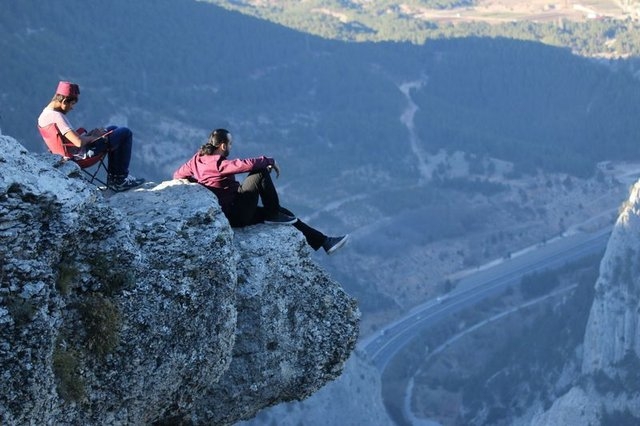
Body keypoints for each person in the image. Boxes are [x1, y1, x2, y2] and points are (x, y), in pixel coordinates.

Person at [173, 128, 349, 255]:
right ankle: (273, 213)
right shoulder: (218, 163)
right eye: (230, 143)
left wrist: (199, 183)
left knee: (285, 214)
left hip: (232, 210)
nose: (231, 147)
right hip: (236, 214)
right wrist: (269, 160)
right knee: (260, 172)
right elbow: (243, 165)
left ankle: (324, 242)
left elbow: (177, 175)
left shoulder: (197, 160)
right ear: (223, 145)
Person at [38, 81, 145, 191]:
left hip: (70, 152)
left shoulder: (45, 115)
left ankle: (116, 178)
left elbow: (65, 140)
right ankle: (119, 180)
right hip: (80, 156)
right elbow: (78, 142)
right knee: (125, 133)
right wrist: (94, 138)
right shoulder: (56, 117)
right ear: (64, 101)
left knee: (113, 129)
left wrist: (90, 135)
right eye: (72, 104)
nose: (72, 108)